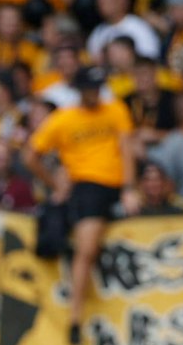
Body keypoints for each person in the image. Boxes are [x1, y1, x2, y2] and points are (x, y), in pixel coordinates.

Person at [25, 67, 138, 320]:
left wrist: (130, 188)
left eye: (98, 88)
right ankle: (75, 314)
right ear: (79, 90)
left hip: (119, 185)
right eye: (90, 88)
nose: (95, 93)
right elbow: (30, 155)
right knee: (87, 249)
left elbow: (126, 149)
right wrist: (55, 184)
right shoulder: (64, 119)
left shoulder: (115, 109)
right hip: (88, 187)